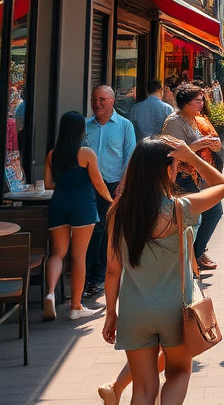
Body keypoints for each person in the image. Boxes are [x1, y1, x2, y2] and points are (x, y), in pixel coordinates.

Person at [101, 135, 224, 405]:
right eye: (176, 166)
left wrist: (111, 313)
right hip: (175, 309)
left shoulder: (118, 212)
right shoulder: (180, 208)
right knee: (179, 372)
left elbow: (112, 271)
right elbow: (223, 185)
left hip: (134, 311)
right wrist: (191, 157)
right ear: (168, 169)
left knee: (143, 389)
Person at [43, 111, 113, 321]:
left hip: (59, 204)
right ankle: (76, 306)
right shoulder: (86, 154)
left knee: (57, 253)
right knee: (79, 256)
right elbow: (98, 183)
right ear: (80, 130)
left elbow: (48, 184)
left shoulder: (52, 154)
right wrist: (111, 200)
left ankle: (50, 293)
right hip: (83, 206)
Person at [161, 84, 224, 271]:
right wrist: (200, 144)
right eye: (197, 100)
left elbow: (210, 143)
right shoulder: (174, 122)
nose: (201, 103)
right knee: (191, 218)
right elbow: (171, 152)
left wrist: (214, 145)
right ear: (185, 102)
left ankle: (197, 252)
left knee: (214, 211)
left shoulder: (198, 119)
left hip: (201, 175)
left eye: (202, 99)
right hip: (182, 177)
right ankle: (191, 257)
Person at [84, 85, 137, 299]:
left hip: (113, 186)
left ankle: (97, 276)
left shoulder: (125, 126)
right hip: (88, 186)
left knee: (105, 232)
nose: (97, 104)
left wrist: (123, 184)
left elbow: (130, 156)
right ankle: (89, 275)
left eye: (102, 100)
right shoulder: (85, 126)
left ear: (112, 101)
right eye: (94, 100)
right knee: (92, 231)